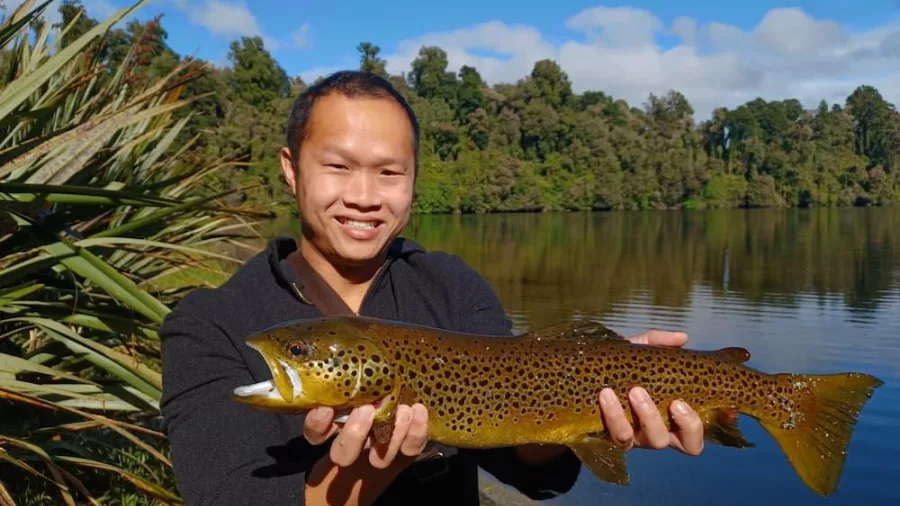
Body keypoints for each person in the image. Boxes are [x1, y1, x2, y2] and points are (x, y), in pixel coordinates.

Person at [159, 70, 705, 506]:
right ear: (291, 169)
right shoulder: (208, 325)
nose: (364, 196)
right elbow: (224, 493)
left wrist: (593, 397)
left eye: (389, 173)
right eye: (337, 166)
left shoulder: (449, 285)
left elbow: (525, 466)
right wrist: (377, 464)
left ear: (415, 178)